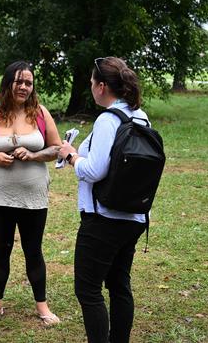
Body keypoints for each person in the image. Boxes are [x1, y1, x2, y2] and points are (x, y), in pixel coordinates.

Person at [59, 57, 150, 343]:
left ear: (101, 86)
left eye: (90, 83)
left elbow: (95, 170)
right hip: (133, 216)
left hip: (103, 219)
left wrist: (71, 156)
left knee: (88, 289)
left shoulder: (108, 120)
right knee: (119, 284)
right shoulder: (141, 116)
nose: (90, 88)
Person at [0, 61, 62, 325]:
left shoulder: (40, 113)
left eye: (28, 82)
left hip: (33, 197)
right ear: (8, 83)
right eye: (18, 81)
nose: (23, 87)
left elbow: (57, 148)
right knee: (1, 249)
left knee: (34, 250)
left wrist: (33, 155)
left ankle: (42, 306)